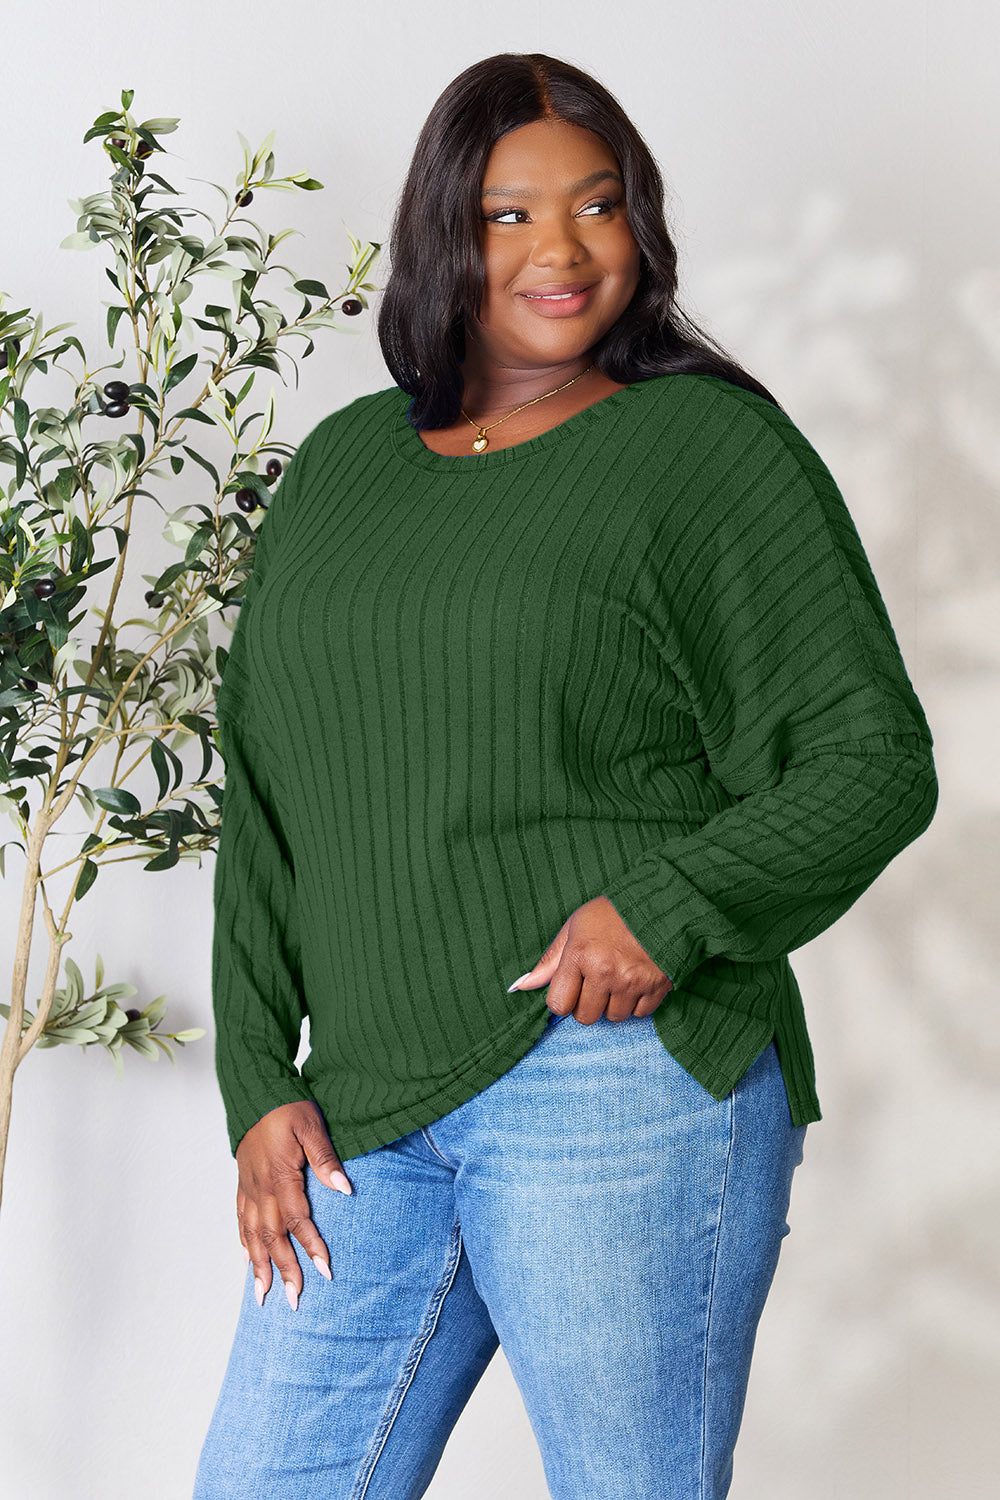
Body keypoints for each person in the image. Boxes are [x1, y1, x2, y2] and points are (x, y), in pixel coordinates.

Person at [192, 52, 938, 1500]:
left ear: (640, 228)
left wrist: (672, 903)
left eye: (598, 207)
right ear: (441, 234)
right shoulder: (342, 467)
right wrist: (248, 1080)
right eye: (508, 214)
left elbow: (872, 760)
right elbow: (269, 792)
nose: (562, 250)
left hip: (617, 1088)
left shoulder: (704, 450)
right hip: (360, 1112)